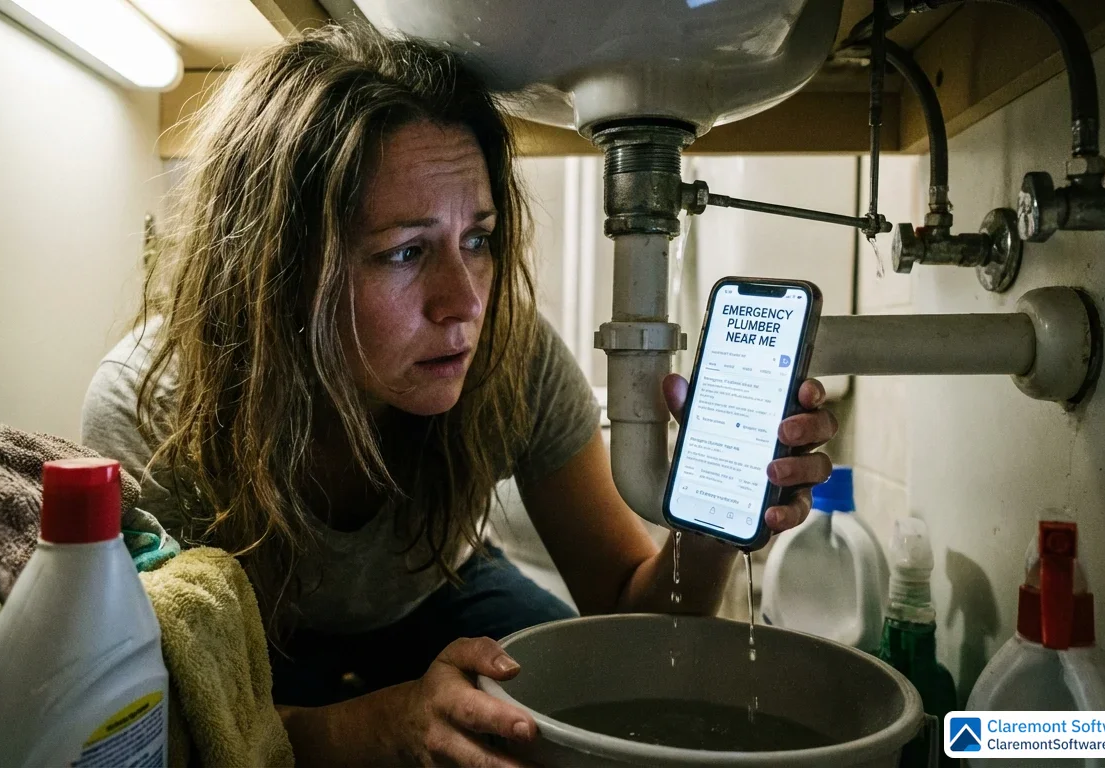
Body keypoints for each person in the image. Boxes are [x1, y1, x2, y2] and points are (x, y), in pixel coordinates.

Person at [82, 24, 837, 767]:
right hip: (261, 647)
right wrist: (378, 728)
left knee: (564, 727)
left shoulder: (512, 350)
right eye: (406, 252)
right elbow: (168, 724)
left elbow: (632, 614)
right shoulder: (153, 408)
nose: (465, 303)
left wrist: (716, 515)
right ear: (280, 273)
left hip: (443, 592)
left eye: (476, 239)